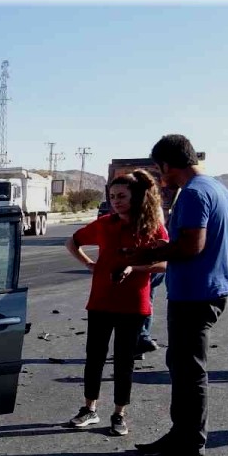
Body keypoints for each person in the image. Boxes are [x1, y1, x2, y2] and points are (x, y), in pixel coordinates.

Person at [125, 134, 228, 456]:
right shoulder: (219, 189)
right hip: (207, 290)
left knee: (189, 374)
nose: (160, 177)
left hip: (194, 295)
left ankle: (189, 446)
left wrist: (151, 250)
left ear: (167, 164)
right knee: (183, 368)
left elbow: (191, 246)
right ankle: (179, 434)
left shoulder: (193, 194)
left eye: (160, 170)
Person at [64, 170, 169, 436]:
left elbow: (164, 263)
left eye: (121, 196)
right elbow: (72, 242)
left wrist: (135, 268)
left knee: (124, 362)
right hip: (100, 301)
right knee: (94, 357)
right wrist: (89, 264)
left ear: (136, 197)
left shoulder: (152, 226)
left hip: (133, 304)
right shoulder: (104, 224)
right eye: (112, 196)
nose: (116, 201)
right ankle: (89, 409)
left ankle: (119, 413)